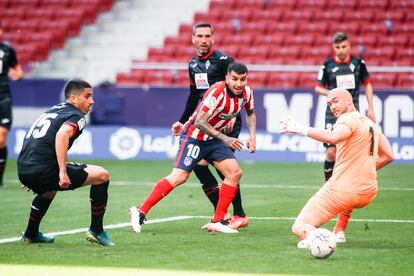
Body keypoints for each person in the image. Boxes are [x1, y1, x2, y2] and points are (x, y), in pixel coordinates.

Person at [130, 62, 256, 234]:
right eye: (234, 79)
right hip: (194, 137)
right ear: (227, 78)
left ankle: (218, 221)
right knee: (180, 176)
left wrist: (252, 136)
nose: (239, 83)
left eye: (243, 79)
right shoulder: (216, 92)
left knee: (234, 173)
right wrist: (225, 138)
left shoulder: (247, 93)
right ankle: (141, 211)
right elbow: (200, 122)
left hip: (213, 139)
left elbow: (251, 113)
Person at [279, 88, 393, 249]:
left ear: (349, 100)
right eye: (329, 103)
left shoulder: (346, 119)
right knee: (345, 199)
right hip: (368, 191)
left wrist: (299, 127)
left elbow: (334, 137)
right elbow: (389, 155)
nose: (332, 106)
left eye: (336, 101)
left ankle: (322, 241)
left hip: (343, 191)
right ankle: (338, 231)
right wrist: (363, 170)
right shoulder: (369, 122)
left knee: (300, 225)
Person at [171, 22, 248, 229]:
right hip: (205, 123)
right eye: (200, 36)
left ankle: (238, 214)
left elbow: (239, 87)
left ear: (213, 38)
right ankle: (221, 215)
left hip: (228, 121)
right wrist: (182, 119)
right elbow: (193, 95)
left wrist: (234, 114)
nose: (204, 40)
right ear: (193, 39)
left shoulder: (223, 61)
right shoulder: (193, 64)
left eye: (207, 36)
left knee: (226, 169)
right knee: (199, 165)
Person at [18, 80, 114, 246]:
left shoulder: (54, 110)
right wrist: (62, 172)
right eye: (88, 96)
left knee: (49, 189)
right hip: (41, 169)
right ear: (73, 98)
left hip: (25, 167)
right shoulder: (77, 116)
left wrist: (30, 169)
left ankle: (31, 233)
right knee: (102, 176)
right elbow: (62, 135)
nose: (92, 101)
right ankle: (96, 230)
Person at [315, 32, 376, 242]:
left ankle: (340, 224)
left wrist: (371, 108)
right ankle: (330, 186)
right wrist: (334, 93)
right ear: (334, 48)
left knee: (348, 161)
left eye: (344, 47)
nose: (341, 51)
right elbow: (317, 87)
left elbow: (367, 83)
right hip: (334, 115)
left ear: (349, 46)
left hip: (355, 116)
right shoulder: (327, 65)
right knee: (331, 151)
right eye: (337, 47)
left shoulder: (359, 63)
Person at [0, 27, 23, 188]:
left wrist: (18, 75)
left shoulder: (8, 51)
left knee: (1, 137)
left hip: (3, 97)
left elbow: (18, 71)